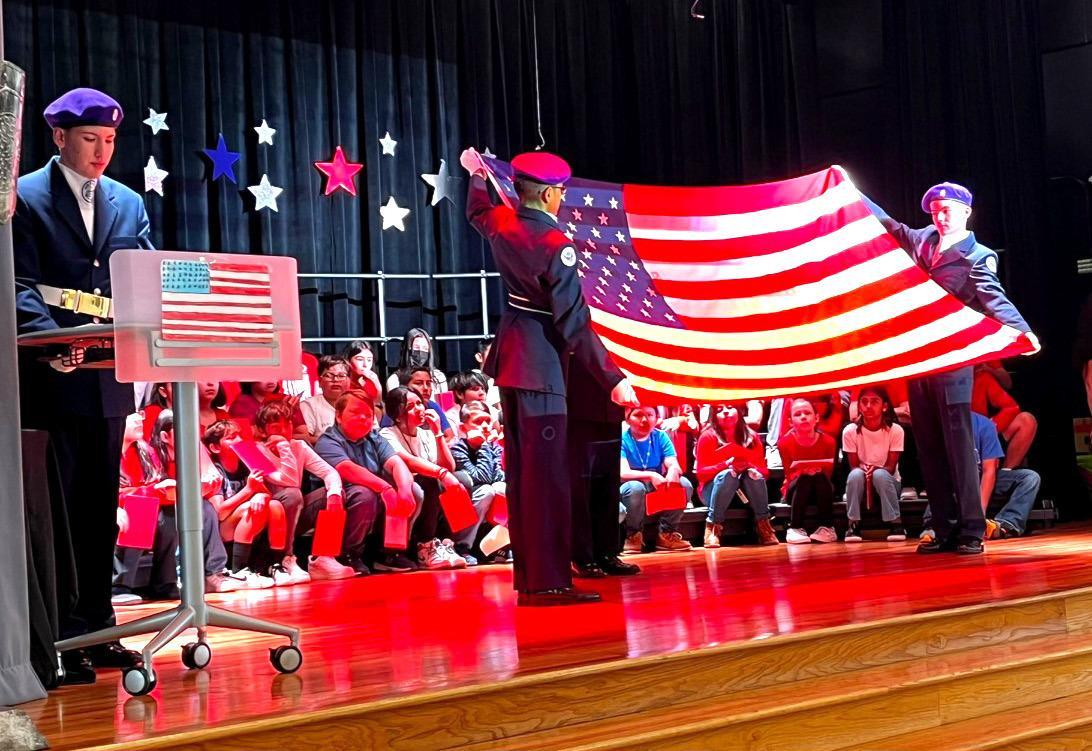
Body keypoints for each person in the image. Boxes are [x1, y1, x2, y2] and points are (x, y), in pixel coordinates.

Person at [13, 87, 155, 680]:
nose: (102, 152)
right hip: (50, 376)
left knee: (100, 508)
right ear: (60, 138)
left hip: (106, 376)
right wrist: (50, 342)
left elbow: (144, 275)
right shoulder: (23, 197)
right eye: (91, 140)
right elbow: (18, 281)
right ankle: (58, 637)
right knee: (58, 512)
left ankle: (97, 627)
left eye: (111, 141)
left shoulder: (127, 201)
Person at [462, 147, 637, 605]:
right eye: (560, 191)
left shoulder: (503, 224)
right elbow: (573, 320)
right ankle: (549, 583)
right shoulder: (555, 246)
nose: (562, 198)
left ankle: (534, 579)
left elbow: (478, 209)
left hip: (513, 364)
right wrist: (612, 379)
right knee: (548, 481)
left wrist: (477, 174)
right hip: (542, 370)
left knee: (526, 480)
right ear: (547, 194)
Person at [866, 183, 1037, 555]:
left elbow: (994, 297)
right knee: (928, 446)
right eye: (936, 210)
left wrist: (1022, 331)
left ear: (965, 212)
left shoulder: (978, 255)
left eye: (948, 210)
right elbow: (888, 225)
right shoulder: (924, 240)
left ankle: (972, 530)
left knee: (960, 448)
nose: (940, 216)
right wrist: (849, 191)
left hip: (954, 360)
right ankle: (942, 527)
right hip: (920, 358)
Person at [313, 390, 420, 575]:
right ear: (338, 416)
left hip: (369, 495)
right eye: (355, 412)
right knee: (364, 494)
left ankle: (389, 553)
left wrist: (404, 490)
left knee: (414, 490)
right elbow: (348, 469)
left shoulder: (374, 437)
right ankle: (345, 554)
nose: (363, 418)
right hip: (330, 500)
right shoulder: (328, 441)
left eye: (369, 415)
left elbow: (396, 464)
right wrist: (385, 488)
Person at [380, 387, 468, 569]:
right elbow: (409, 462)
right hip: (403, 487)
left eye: (420, 403)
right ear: (397, 415)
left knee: (461, 479)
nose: (420, 409)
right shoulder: (387, 434)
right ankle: (425, 546)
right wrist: (442, 474)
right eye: (411, 406)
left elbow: (448, 467)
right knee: (430, 481)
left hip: (430, 485)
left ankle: (447, 544)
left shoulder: (426, 434)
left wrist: (437, 433)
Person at [921, 413, 1042, 543]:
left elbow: (989, 470)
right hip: (956, 482)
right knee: (942, 481)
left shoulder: (984, 425)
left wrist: (980, 514)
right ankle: (933, 527)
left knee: (1030, 478)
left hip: (981, 477)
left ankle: (1005, 525)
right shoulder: (941, 426)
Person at [695, 404, 778, 548]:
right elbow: (701, 474)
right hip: (714, 491)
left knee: (754, 476)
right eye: (720, 410)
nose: (726, 412)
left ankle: (764, 525)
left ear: (739, 412)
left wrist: (750, 466)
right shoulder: (707, 436)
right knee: (728, 474)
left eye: (730, 407)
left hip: (745, 494)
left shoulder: (751, 436)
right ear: (714, 416)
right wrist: (726, 465)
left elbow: (765, 472)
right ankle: (712, 527)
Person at [619, 406, 694, 554]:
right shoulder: (623, 439)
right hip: (631, 486)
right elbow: (623, 473)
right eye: (638, 415)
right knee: (635, 488)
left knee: (684, 484)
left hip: (656, 486)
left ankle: (666, 534)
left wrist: (673, 471)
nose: (645, 419)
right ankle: (632, 535)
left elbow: (673, 464)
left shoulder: (660, 436)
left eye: (650, 415)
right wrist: (650, 475)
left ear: (656, 418)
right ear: (628, 419)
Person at [842, 386, 906, 543]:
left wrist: (874, 470)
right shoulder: (850, 431)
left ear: (884, 406)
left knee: (880, 474)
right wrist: (865, 471)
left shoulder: (895, 430)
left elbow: (890, 468)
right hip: (862, 479)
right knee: (855, 475)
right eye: (864, 402)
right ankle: (853, 524)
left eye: (874, 402)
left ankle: (896, 523)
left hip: (888, 481)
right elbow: (854, 466)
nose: (868, 406)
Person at [449, 401, 508, 564]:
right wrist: (483, 447)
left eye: (488, 421)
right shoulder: (458, 449)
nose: (485, 426)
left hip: (486, 508)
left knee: (502, 488)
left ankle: (498, 546)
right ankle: (462, 546)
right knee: (486, 491)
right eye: (477, 421)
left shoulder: (493, 447)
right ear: (463, 428)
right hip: (461, 509)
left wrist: (489, 447)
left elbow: (499, 477)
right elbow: (480, 477)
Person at [779, 398, 838, 544]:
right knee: (805, 479)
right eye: (798, 414)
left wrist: (816, 471)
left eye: (807, 413)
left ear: (816, 417)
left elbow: (829, 472)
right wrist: (804, 472)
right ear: (790, 421)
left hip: (821, 487)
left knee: (819, 477)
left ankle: (827, 528)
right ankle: (795, 527)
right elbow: (789, 474)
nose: (803, 417)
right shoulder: (785, 442)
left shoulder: (829, 441)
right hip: (796, 488)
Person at [971, 364, 1037, 469]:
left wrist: (989, 428)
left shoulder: (981, 376)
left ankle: (1006, 474)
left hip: (981, 438)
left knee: (1026, 420)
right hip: (957, 441)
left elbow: (1012, 406)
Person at [299, 355, 353, 444]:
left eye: (341, 375)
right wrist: (338, 442)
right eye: (329, 375)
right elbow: (304, 438)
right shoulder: (309, 405)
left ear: (349, 381)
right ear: (320, 381)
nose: (335, 380)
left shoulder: (360, 403)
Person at [385, 327, 449, 393]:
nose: (421, 351)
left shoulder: (439, 377)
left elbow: (446, 402)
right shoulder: (395, 379)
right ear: (408, 348)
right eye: (416, 347)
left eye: (425, 348)